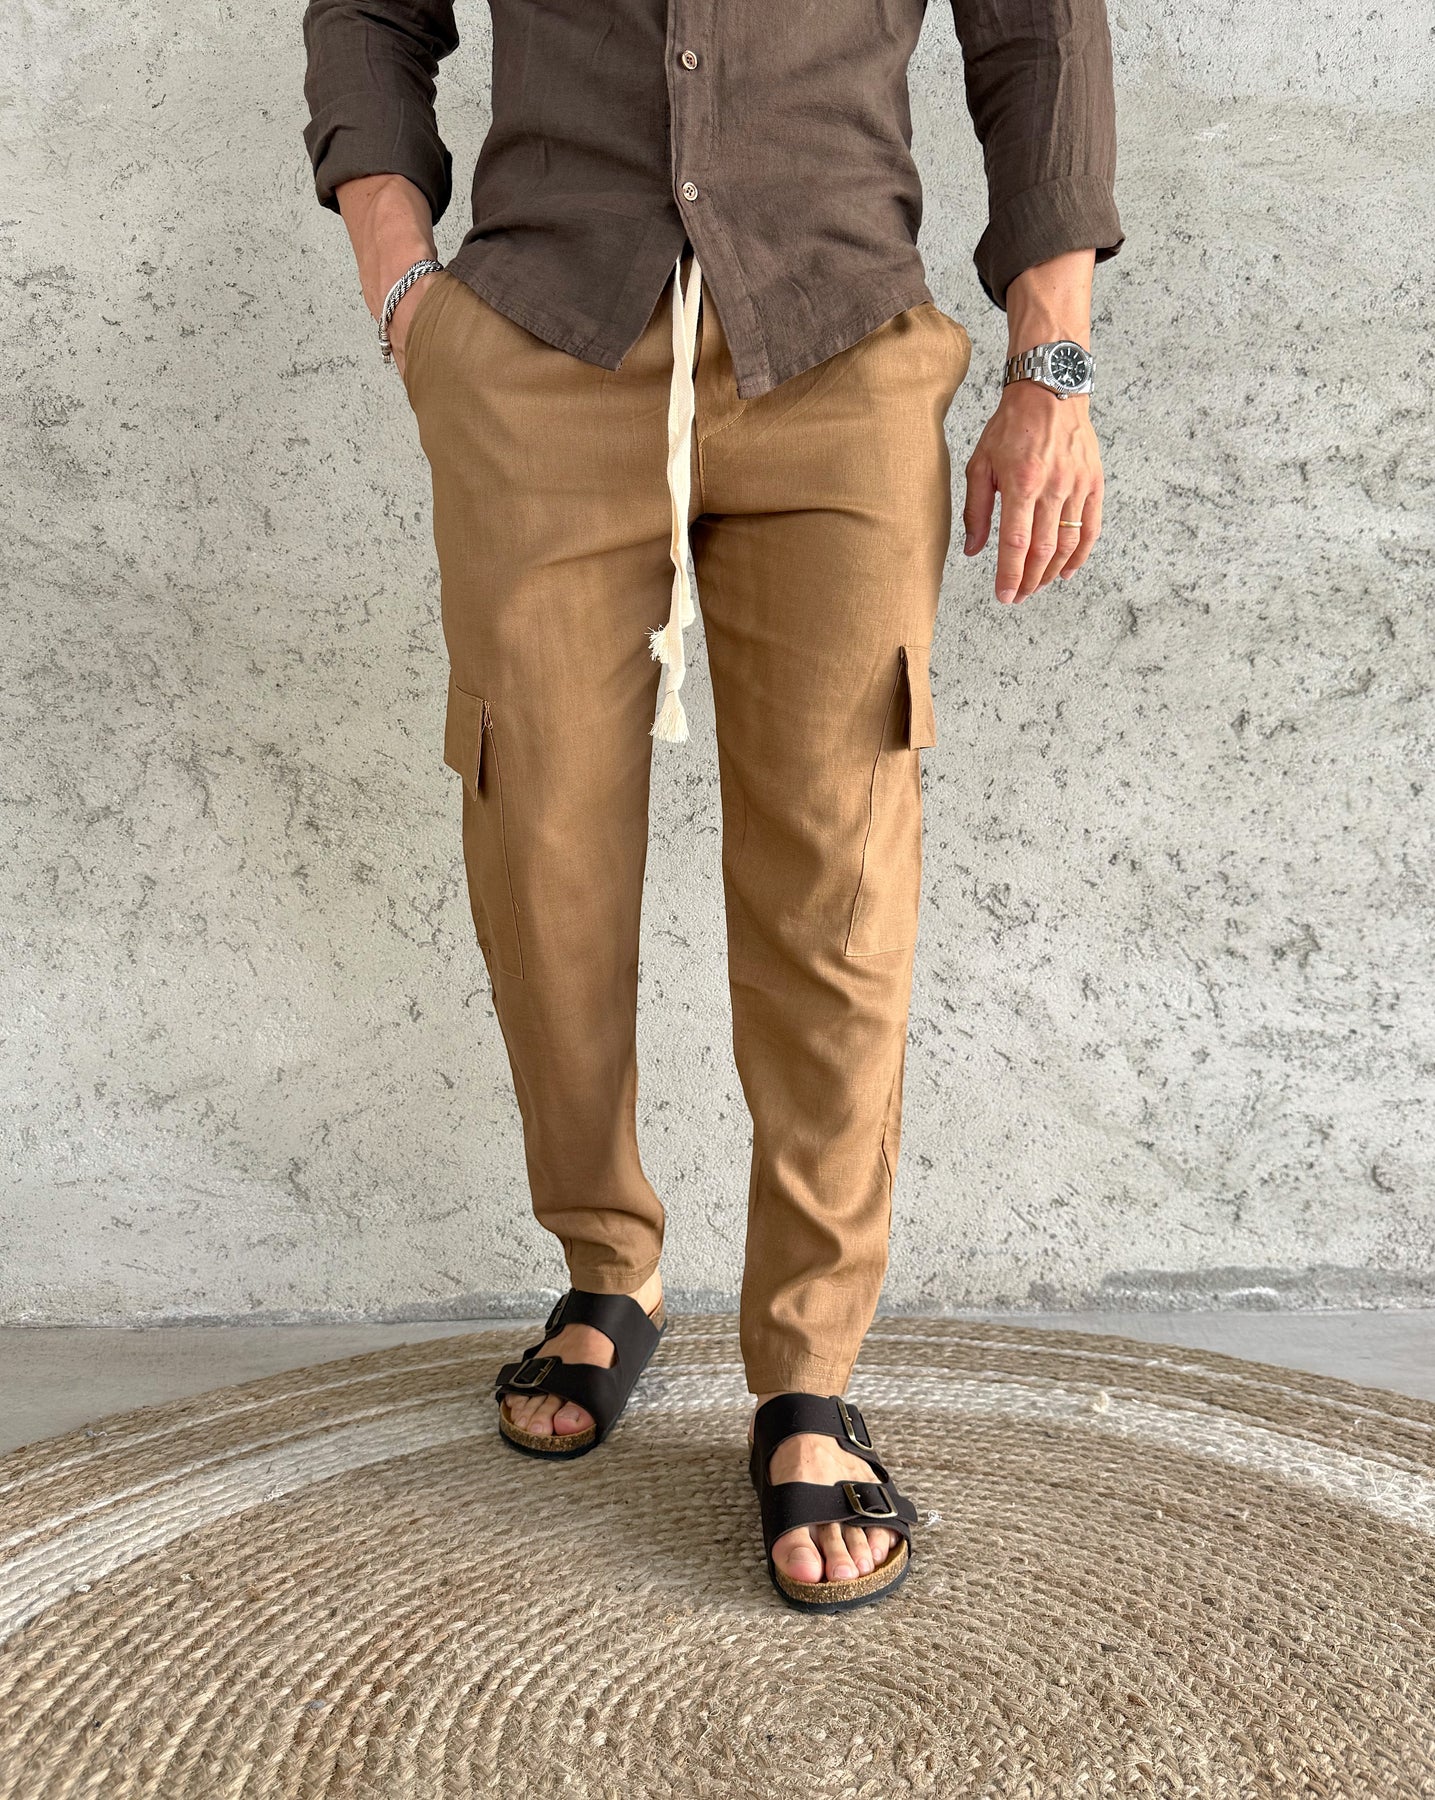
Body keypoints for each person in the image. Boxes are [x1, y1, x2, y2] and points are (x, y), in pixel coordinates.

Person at [301, 0, 1122, 1613]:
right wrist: (404, 289)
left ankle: (809, 1376)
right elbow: (369, 12)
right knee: (539, 845)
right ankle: (608, 1264)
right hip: (541, 344)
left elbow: (1039, 33)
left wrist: (1054, 365)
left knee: (838, 875)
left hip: (839, 345)